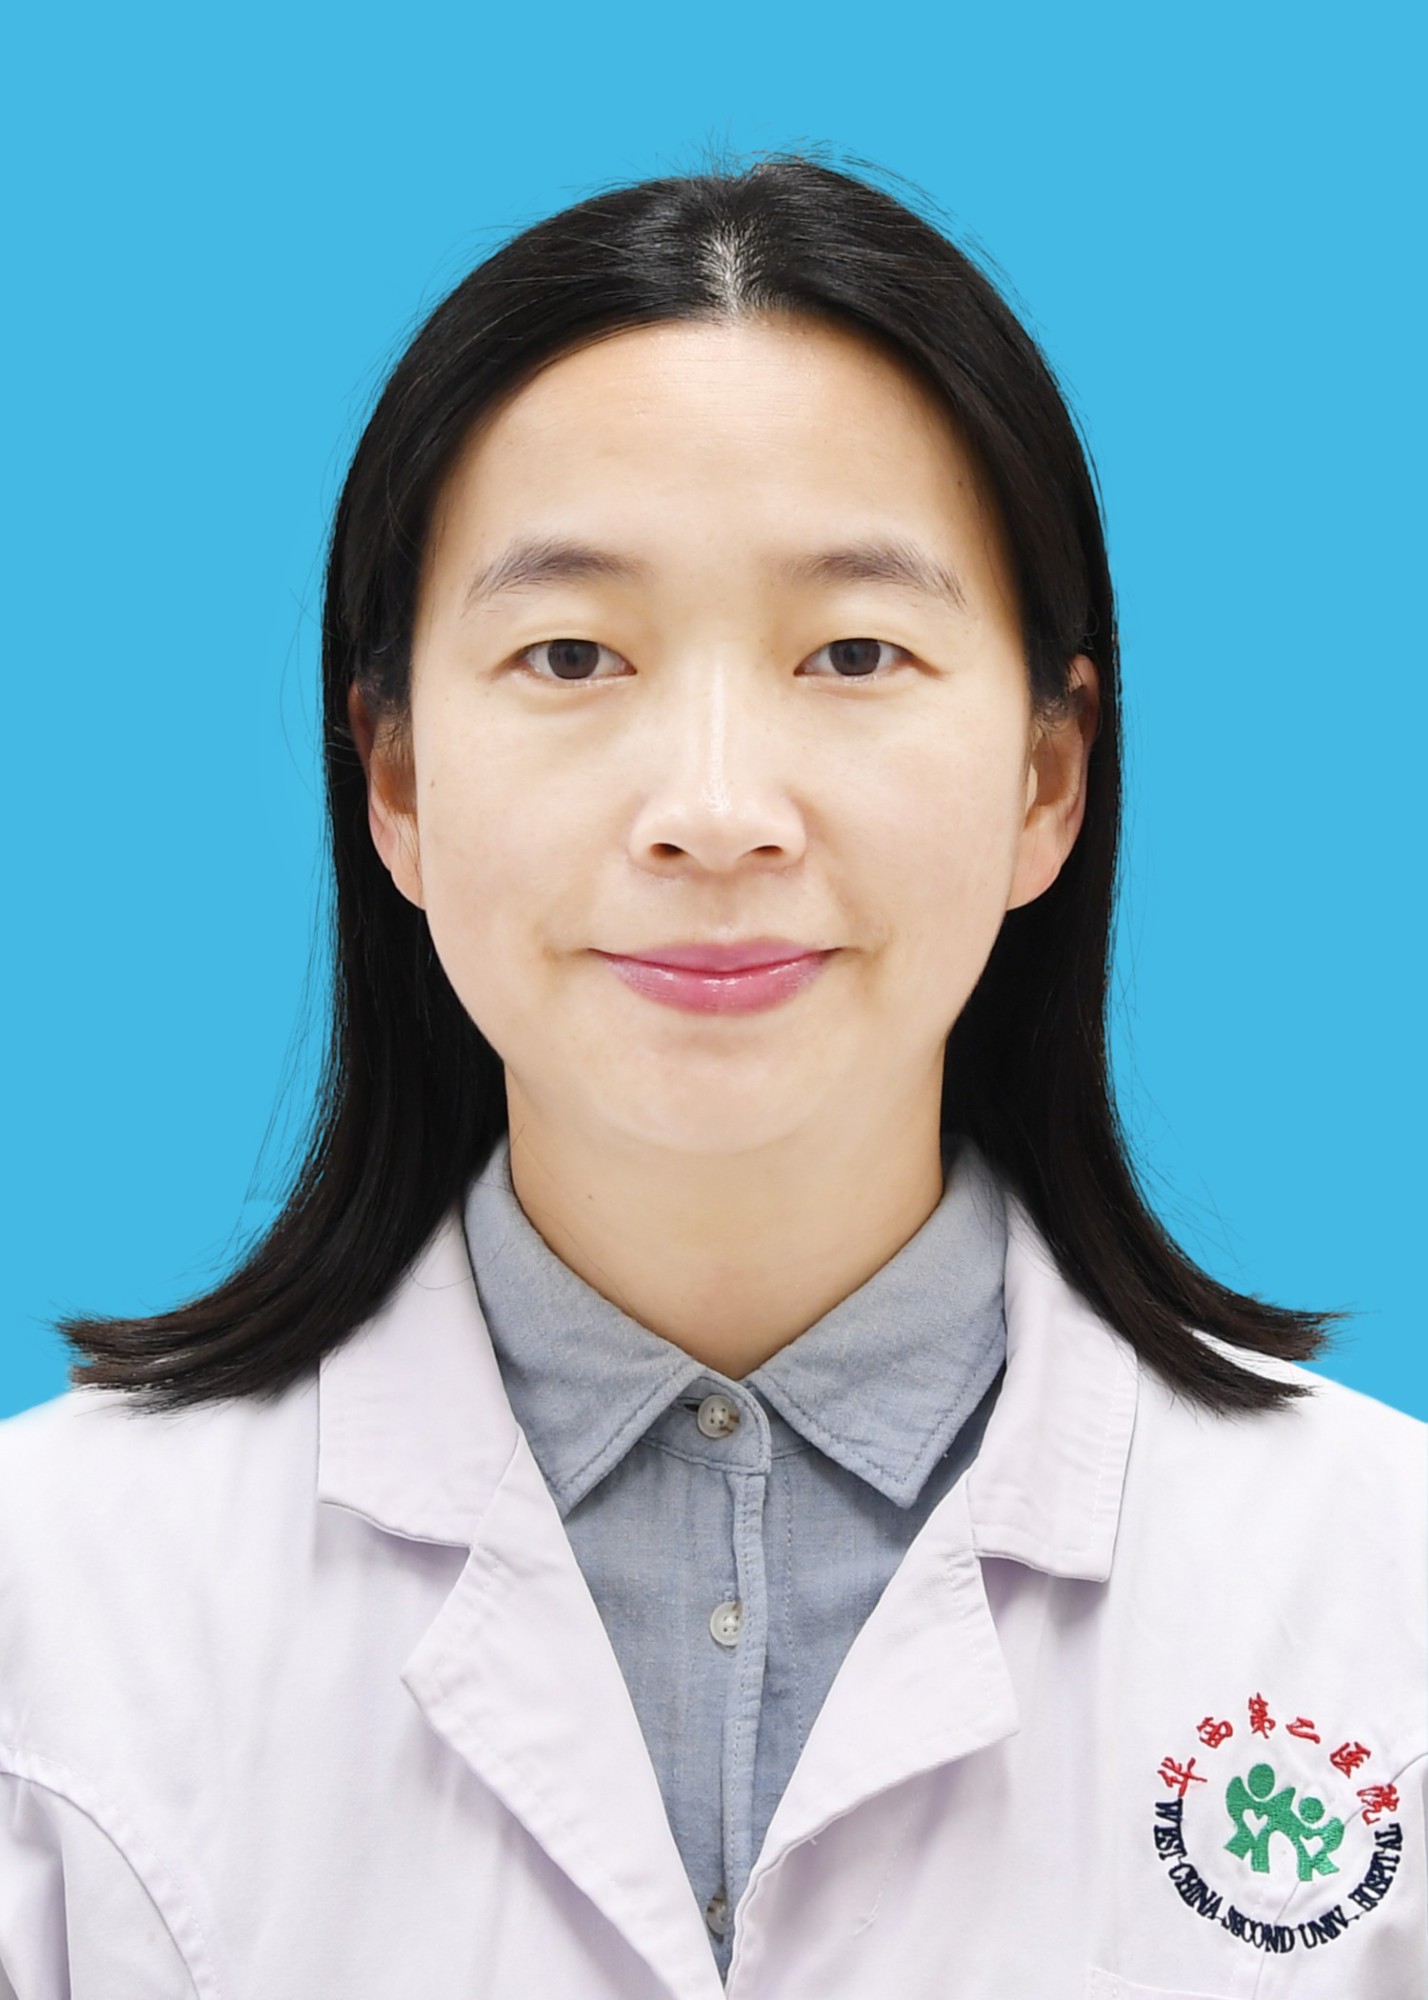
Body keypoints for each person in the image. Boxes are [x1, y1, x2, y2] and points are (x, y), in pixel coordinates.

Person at [0, 155, 1421, 2000]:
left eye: (856, 650)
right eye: (571, 653)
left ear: (1047, 776)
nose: (717, 810)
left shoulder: (1379, 1592)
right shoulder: (53, 1607)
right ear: (394, 777)